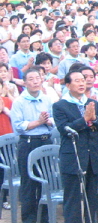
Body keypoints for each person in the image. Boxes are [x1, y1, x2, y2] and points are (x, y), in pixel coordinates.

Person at [53, 68, 98, 223]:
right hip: (73, 157)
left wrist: (94, 118)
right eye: (77, 80)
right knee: (73, 199)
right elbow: (64, 129)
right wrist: (85, 120)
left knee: (92, 198)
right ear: (68, 85)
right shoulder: (60, 106)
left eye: (83, 80)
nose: (81, 83)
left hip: (92, 157)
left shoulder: (93, 103)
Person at [11, 68, 55, 223]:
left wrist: (48, 121)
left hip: (45, 141)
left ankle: (45, 218)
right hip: (28, 143)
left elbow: (54, 121)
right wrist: (38, 122)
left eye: (38, 78)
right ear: (24, 82)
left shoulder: (47, 99)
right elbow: (17, 126)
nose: (36, 81)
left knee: (45, 181)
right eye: (31, 79)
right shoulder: (19, 102)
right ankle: (29, 219)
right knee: (29, 183)